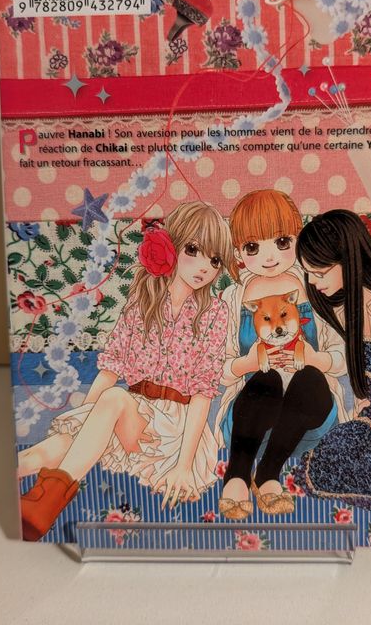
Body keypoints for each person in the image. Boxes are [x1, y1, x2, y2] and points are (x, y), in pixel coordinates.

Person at [19, 201, 234, 540]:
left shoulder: (214, 312)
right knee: (57, 445)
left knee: (114, 398)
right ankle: (12, 507)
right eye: (193, 250)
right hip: (130, 413)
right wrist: (83, 422)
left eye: (215, 259)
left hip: (172, 428)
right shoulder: (142, 301)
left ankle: (45, 506)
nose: (204, 267)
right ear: (172, 246)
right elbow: (111, 366)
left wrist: (183, 464)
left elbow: (203, 393)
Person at [214, 190, 348, 519]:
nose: (269, 256)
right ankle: (238, 473)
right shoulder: (233, 298)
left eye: (282, 242)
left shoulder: (316, 288)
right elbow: (217, 367)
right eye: (253, 247)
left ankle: (269, 472)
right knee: (267, 378)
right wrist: (247, 363)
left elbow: (343, 356)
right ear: (238, 251)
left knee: (310, 377)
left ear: (298, 239)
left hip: (308, 413)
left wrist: (315, 358)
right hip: (251, 417)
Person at [293, 209, 371, 509]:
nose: (313, 282)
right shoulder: (345, 310)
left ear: (349, 260)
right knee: (330, 457)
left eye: (320, 272)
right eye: (309, 273)